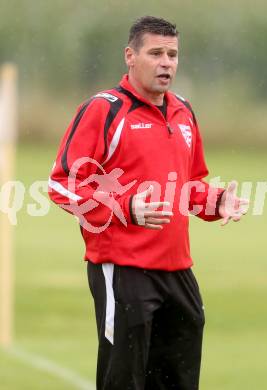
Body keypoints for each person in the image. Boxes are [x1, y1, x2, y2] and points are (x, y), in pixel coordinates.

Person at [48, 15, 248, 390]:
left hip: (178, 271)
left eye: (172, 54)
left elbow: (188, 184)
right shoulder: (104, 109)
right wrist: (124, 206)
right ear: (130, 56)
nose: (166, 62)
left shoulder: (183, 110)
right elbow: (62, 184)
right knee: (123, 381)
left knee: (179, 381)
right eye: (155, 53)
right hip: (125, 271)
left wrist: (216, 201)